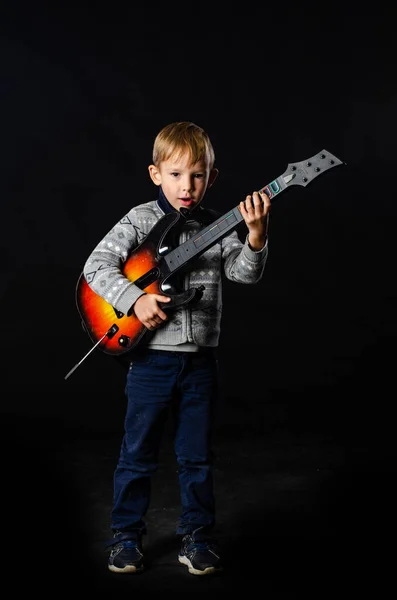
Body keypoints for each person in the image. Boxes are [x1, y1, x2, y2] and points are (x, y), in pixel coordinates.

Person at [81, 121, 271, 576]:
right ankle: (125, 538)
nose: (187, 186)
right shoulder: (140, 219)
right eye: (176, 174)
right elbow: (96, 266)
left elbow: (244, 274)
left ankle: (198, 537)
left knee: (197, 457)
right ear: (155, 173)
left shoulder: (220, 224)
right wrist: (135, 298)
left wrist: (256, 237)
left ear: (213, 177)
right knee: (137, 454)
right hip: (149, 361)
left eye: (198, 175)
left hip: (201, 363)